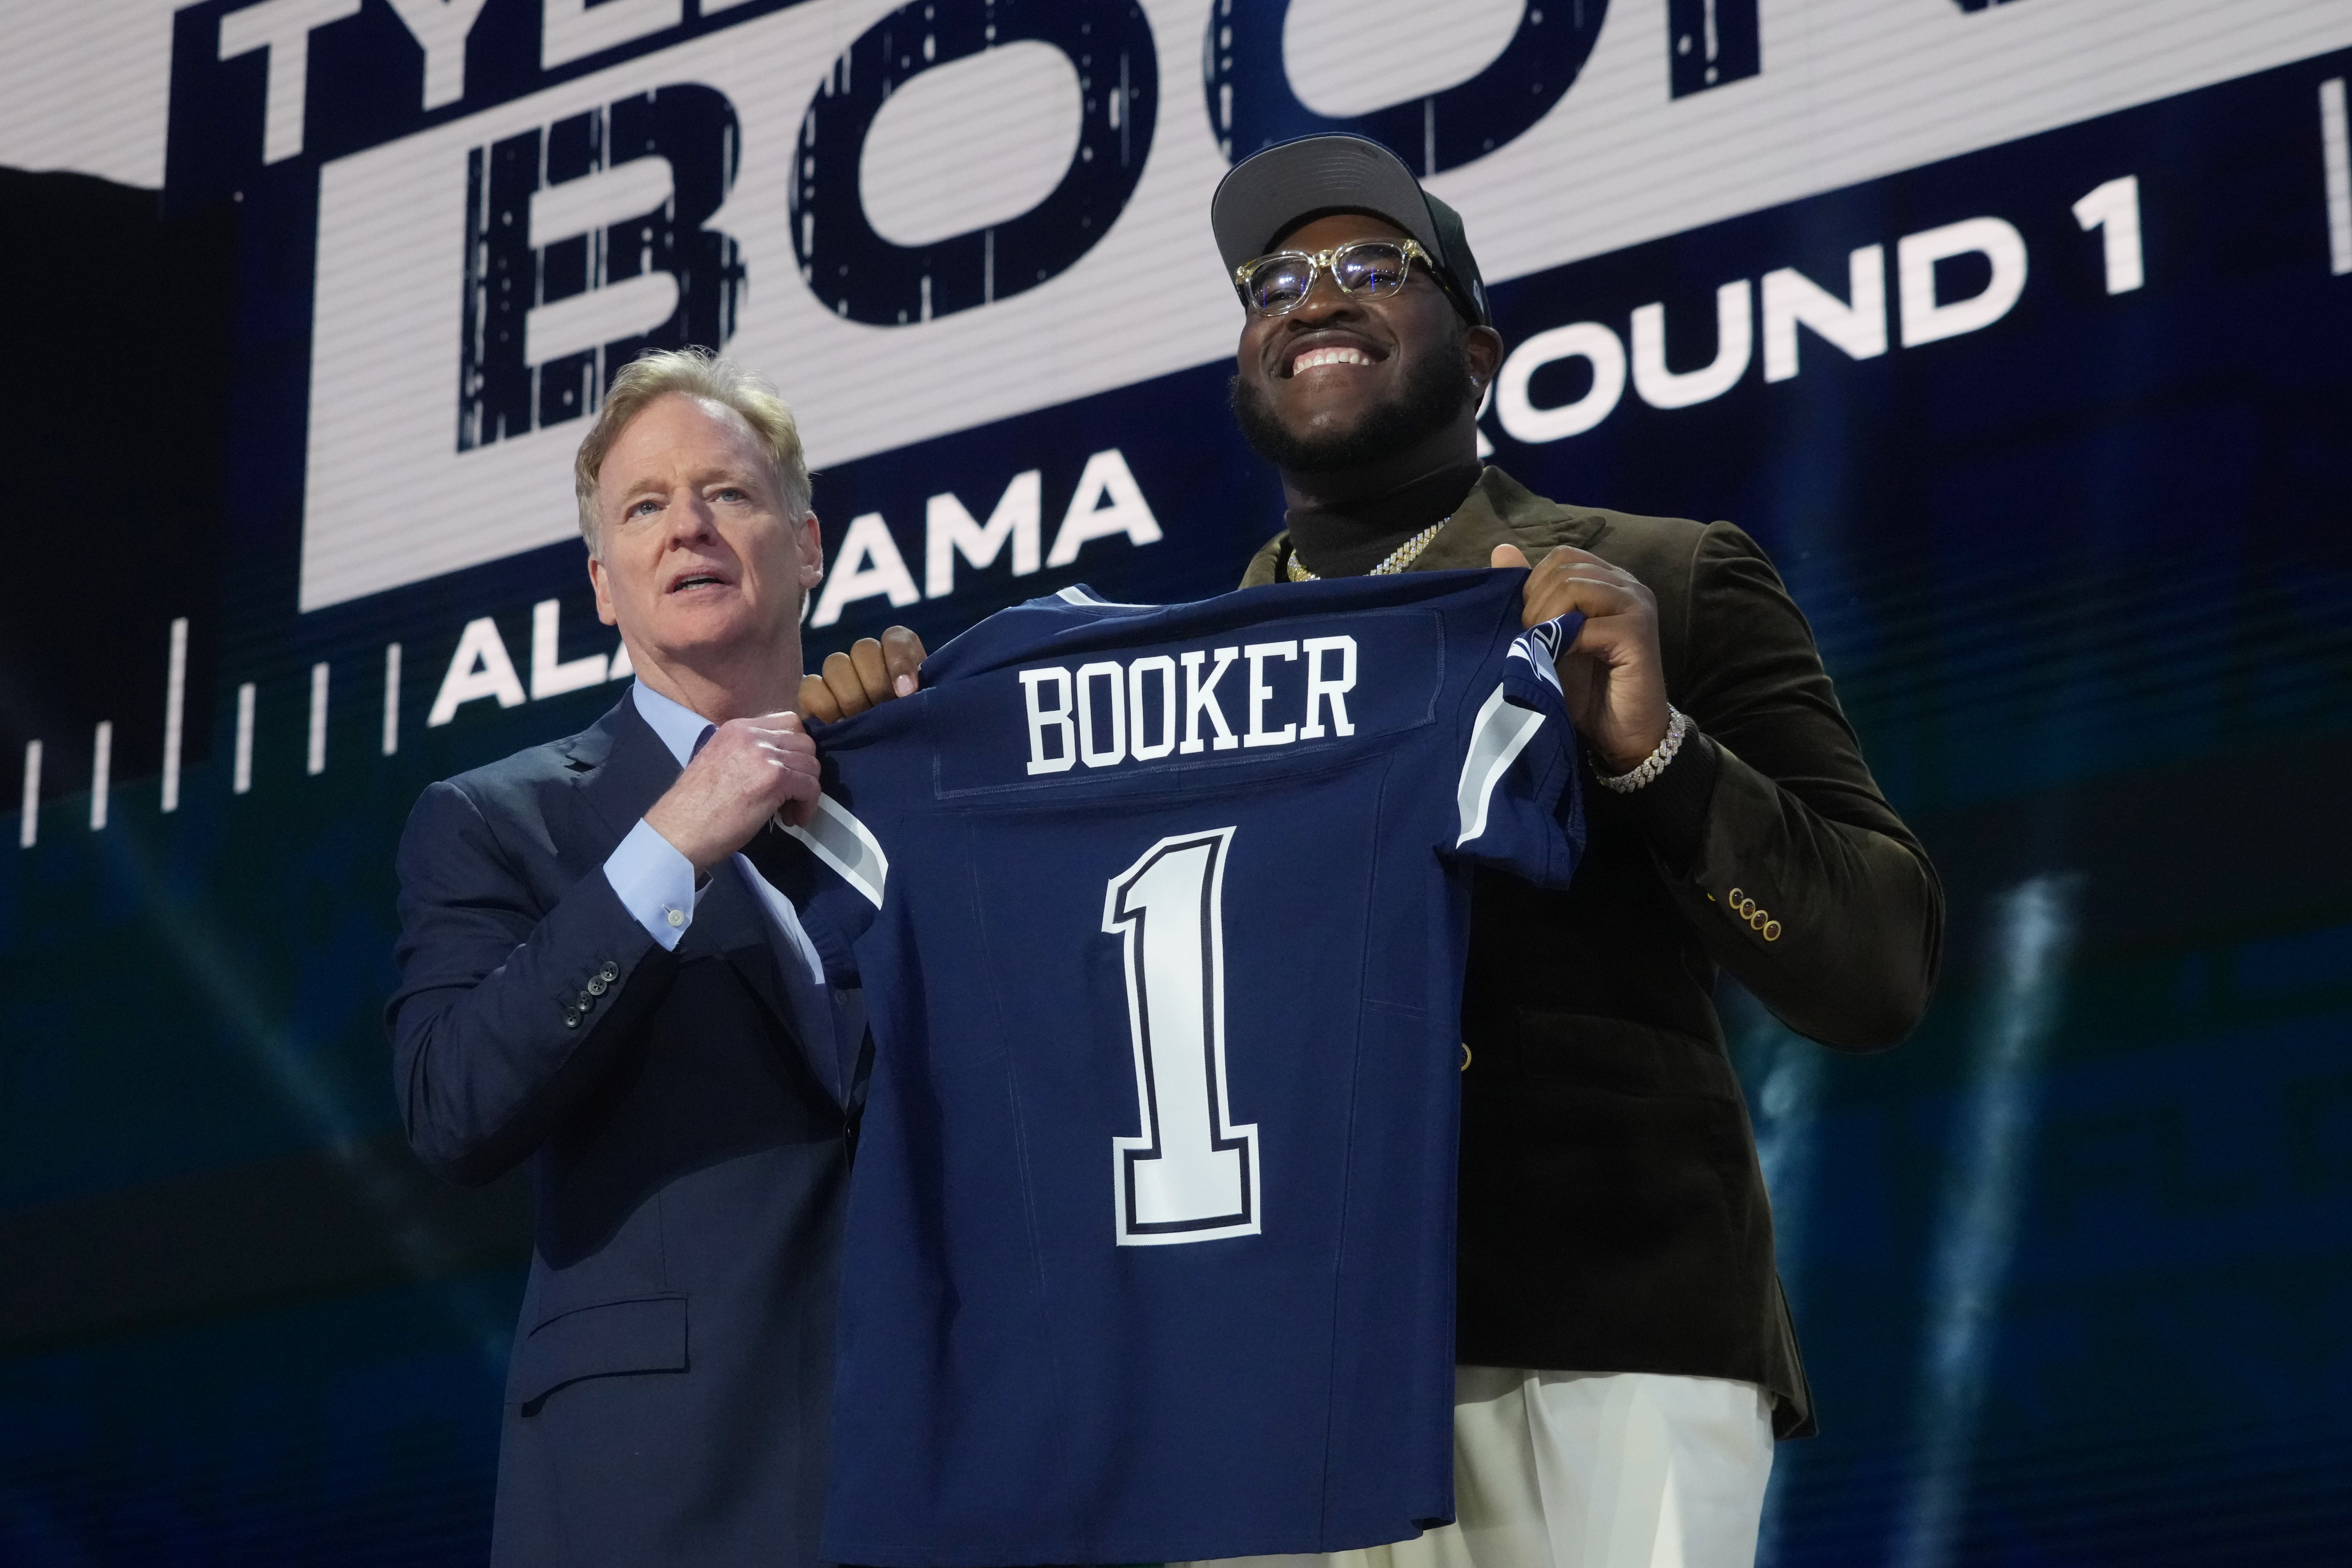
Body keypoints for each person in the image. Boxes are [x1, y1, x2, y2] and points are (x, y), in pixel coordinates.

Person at [388, 349, 882, 1568]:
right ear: (604, 586)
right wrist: (673, 840)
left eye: (725, 492)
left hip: (941, 1457)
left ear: (806, 545)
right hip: (659, 1486)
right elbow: (455, 1105)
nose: (689, 528)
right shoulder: (496, 820)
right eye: (646, 507)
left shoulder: (899, 799)